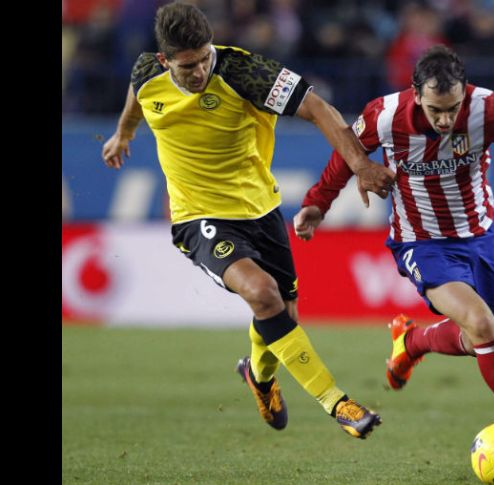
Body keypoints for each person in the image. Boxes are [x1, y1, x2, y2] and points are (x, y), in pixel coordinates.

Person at [293, 45, 494, 476]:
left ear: (464, 94)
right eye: (436, 110)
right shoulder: (385, 114)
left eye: (453, 109)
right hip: (421, 242)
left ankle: (411, 342)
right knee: (485, 326)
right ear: (416, 93)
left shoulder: (488, 109)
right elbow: (347, 155)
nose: (446, 120)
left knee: (477, 340)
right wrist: (317, 203)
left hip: (481, 236)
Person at [101, 1, 395, 439]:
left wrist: (361, 165)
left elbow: (318, 108)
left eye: (204, 59)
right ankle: (338, 403)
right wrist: (124, 132)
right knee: (262, 294)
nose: (199, 71)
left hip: (261, 211)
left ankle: (257, 376)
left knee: (281, 315)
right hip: (197, 216)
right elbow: (137, 92)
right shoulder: (148, 72)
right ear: (165, 60)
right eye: (187, 66)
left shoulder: (244, 72)